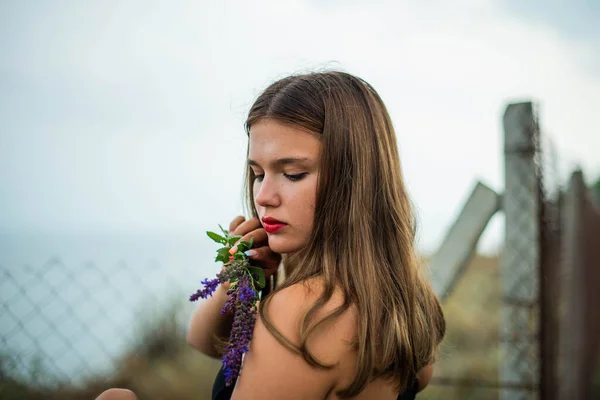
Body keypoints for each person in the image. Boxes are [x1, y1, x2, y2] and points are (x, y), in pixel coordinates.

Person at [96, 71, 445, 400]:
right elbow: (204, 341)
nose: (263, 196)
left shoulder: (304, 311)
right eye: (258, 173)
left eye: (292, 173)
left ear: (354, 181)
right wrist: (241, 276)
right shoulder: (407, 302)